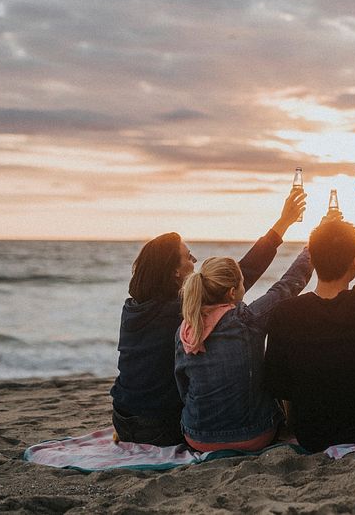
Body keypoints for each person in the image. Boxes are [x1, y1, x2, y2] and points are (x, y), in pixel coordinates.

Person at [109, 188, 306, 446]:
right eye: (188, 257)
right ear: (175, 274)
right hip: (159, 428)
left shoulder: (132, 308)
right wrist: (283, 225)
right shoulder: (181, 309)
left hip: (122, 421)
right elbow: (240, 275)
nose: (195, 261)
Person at [263, 173, 355, 452]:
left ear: (312, 261)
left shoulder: (285, 313)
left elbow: (279, 385)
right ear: (354, 263)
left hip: (311, 435)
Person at [174, 246, 312, 452]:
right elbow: (287, 287)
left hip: (198, 437)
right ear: (231, 293)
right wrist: (309, 252)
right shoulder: (249, 320)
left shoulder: (186, 330)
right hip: (255, 435)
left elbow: (183, 386)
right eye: (241, 284)